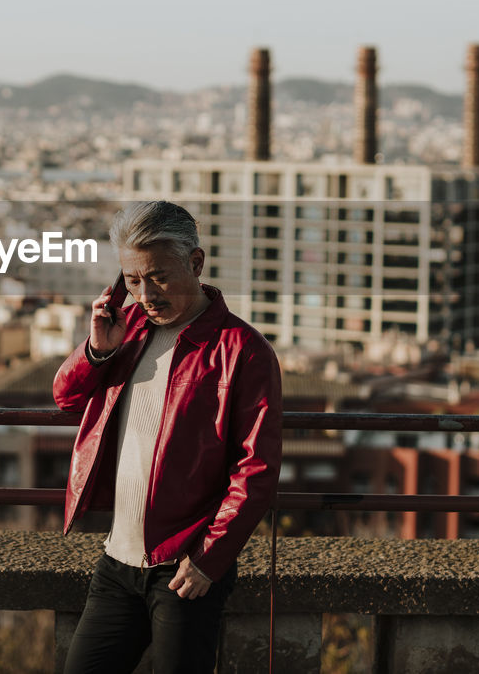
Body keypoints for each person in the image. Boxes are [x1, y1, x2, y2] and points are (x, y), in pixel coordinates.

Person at [54, 200, 282, 673]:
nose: (145, 294)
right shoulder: (126, 330)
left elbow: (255, 469)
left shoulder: (243, 351)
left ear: (195, 264)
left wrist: (208, 559)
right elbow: (67, 399)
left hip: (185, 568)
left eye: (157, 276)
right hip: (117, 561)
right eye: (132, 280)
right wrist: (97, 348)